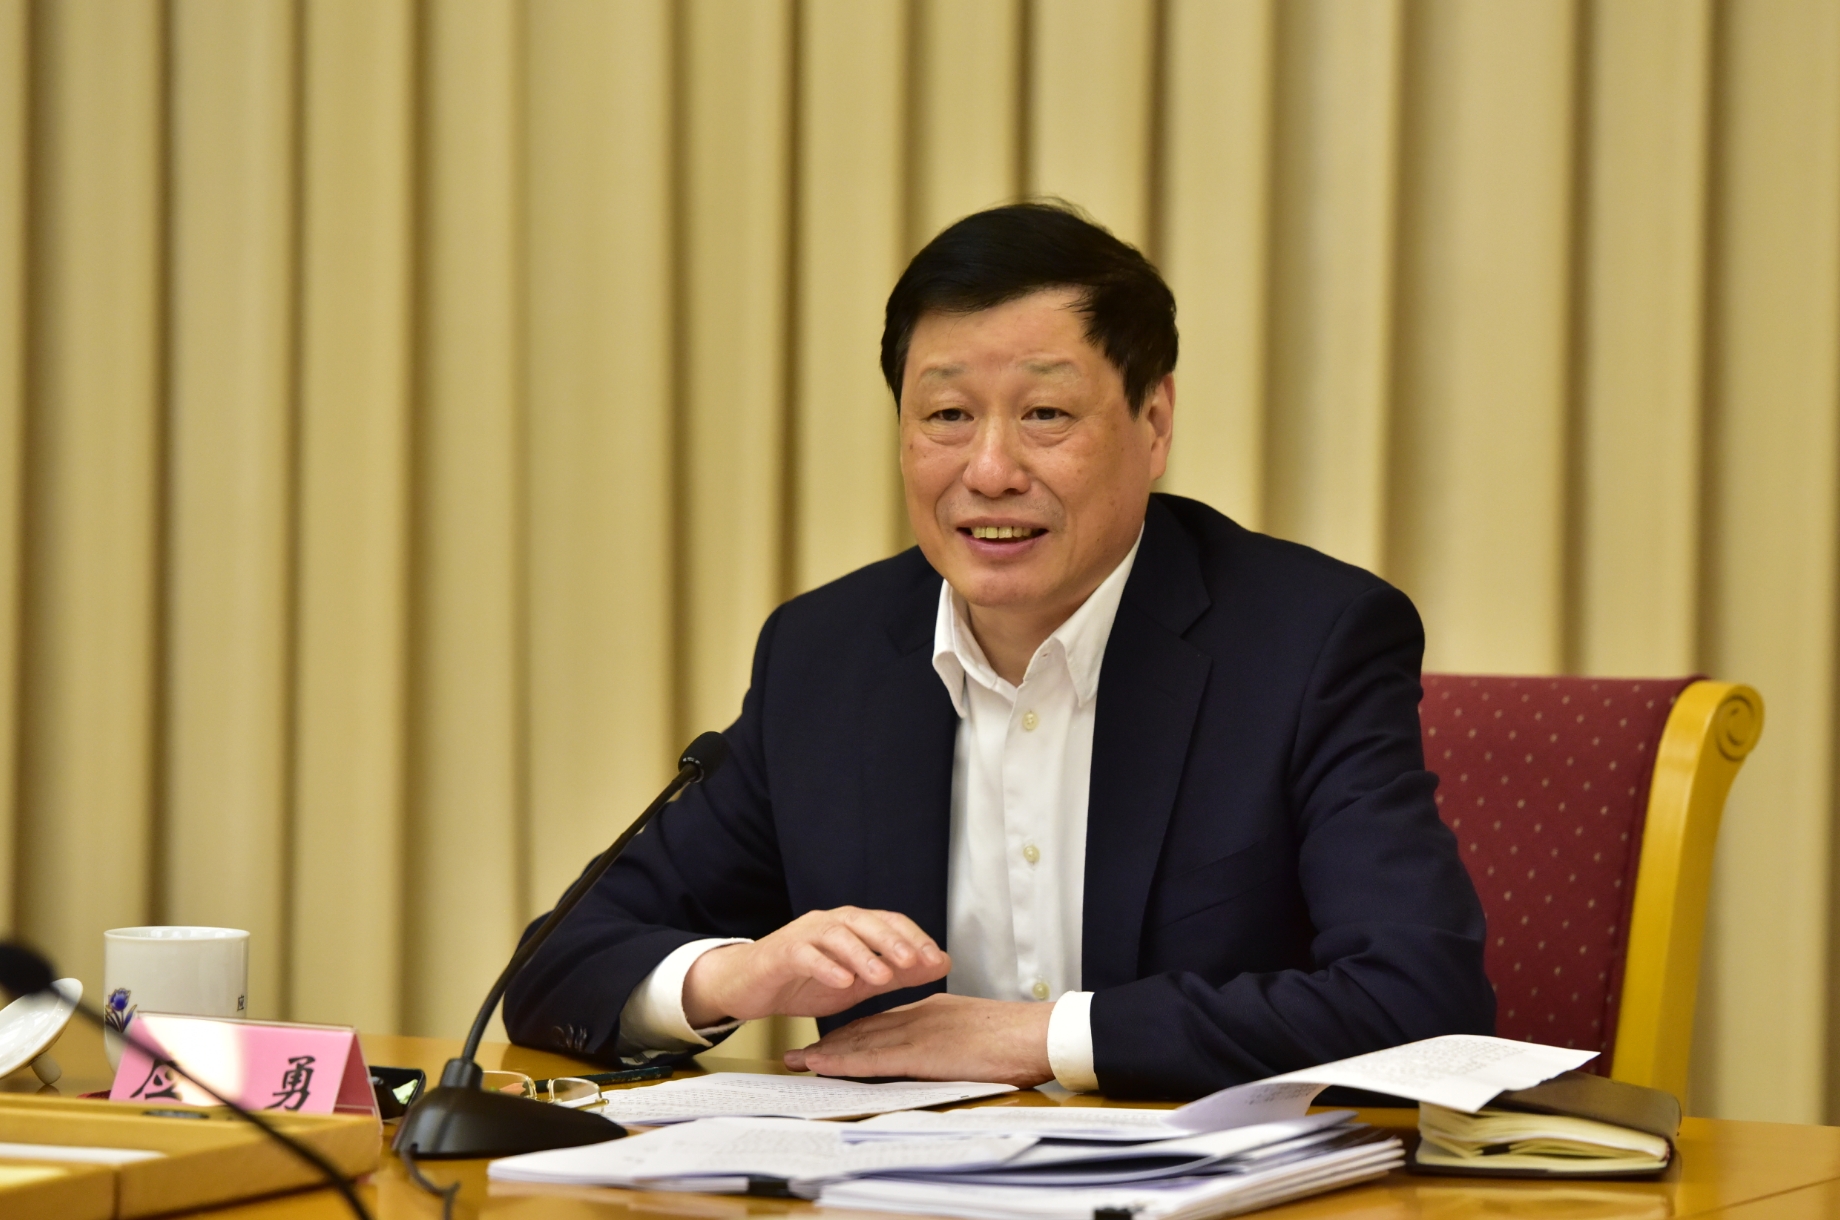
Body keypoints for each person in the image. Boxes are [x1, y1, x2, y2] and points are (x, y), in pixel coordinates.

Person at [503, 201, 1493, 1098]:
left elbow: (1419, 999)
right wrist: (735, 975)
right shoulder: (826, 658)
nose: (989, 470)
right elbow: (555, 968)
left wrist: (1043, 1038)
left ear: (1153, 423)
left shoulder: (1307, 641)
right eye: (947, 416)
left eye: (1044, 415)